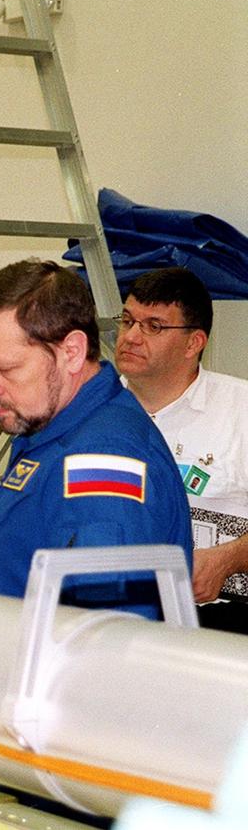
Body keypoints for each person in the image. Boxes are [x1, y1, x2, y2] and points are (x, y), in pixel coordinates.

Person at [0, 259, 192, 619]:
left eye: (7, 369)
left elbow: (103, 644)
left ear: (72, 352)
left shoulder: (101, 460)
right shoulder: (48, 427)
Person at [116, 267, 248, 632]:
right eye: (128, 321)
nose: (131, 337)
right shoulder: (92, 411)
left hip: (222, 619)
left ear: (194, 343)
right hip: (116, 616)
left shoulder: (241, 410)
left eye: (153, 326)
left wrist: (229, 558)